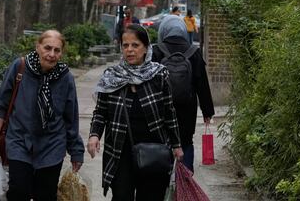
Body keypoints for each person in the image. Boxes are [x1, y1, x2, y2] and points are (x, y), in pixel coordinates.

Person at [87, 24, 183, 200]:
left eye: (135, 45)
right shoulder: (112, 76)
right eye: (125, 45)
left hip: (154, 150)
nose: (130, 50)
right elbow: (100, 112)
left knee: (151, 196)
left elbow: (169, 112)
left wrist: (176, 145)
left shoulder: (159, 74)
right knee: (122, 196)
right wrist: (94, 135)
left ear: (146, 48)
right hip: (119, 151)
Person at [0, 30, 84, 201]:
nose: (52, 54)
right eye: (47, 48)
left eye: (57, 50)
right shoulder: (20, 67)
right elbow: (2, 106)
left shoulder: (66, 77)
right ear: (38, 46)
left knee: (45, 195)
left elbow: (71, 118)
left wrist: (76, 151)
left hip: (52, 145)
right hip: (19, 140)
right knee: (18, 191)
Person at [152, 15, 214, 172]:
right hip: (188, 108)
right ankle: (186, 178)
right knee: (186, 141)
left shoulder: (157, 51)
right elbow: (202, 84)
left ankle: (163, 176)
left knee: (163, 140)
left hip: (162, 108)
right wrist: (207, 111)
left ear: (164, 30)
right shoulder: (194, 51)